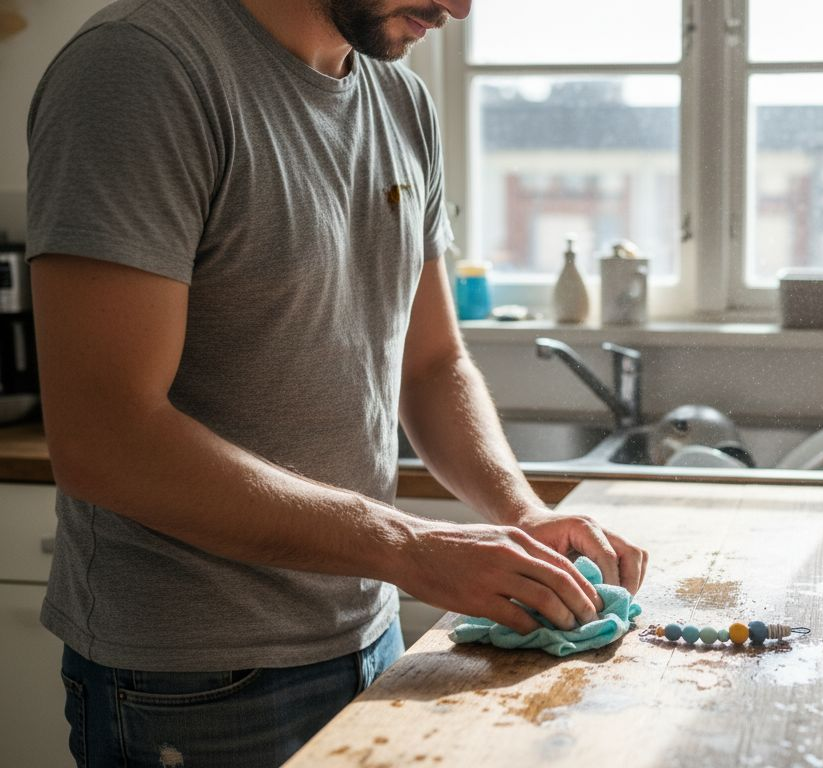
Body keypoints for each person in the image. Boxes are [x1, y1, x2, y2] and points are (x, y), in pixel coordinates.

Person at [25, 0, 648, 765]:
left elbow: (430, 364)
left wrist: (519, 512)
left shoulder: (399, 98)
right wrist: (410, 546)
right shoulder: (142, 67)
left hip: (370, 637)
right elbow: (106, 440)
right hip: (191, 680)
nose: (458, 5)